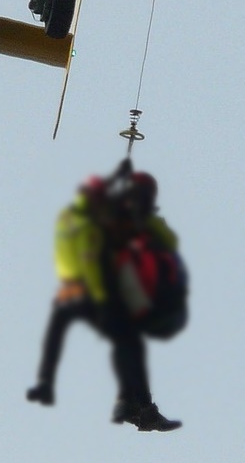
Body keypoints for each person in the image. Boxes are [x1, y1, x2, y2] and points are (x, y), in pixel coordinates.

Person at [25, 166, 183, 431]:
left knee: (118, 340)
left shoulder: (71, 216)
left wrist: (115, 181)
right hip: (94, 294)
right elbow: (164, 242)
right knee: (129, 343)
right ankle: (140, 407)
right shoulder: (101, 223)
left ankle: (48, 384)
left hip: (71, 292)